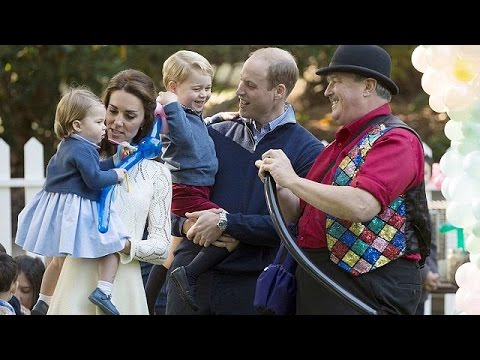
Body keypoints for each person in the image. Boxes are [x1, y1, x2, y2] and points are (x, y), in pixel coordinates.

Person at [256, 45, 431, 315]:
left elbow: (362, 205)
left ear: (368, 86)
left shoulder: (396, 139)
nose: (327, 91)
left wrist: (292, 180)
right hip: (323, 283)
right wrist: (280, 185)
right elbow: (300, 216)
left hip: (367, 288)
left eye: (335, 82)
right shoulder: (338, 146)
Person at [165, 47, 324, 315]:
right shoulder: (213, 133)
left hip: (251, 291)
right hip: (188, 282)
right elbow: (170, 201)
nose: (239, 90)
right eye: (241, 80)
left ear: (279, 91)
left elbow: (295, 229)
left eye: (250, 85)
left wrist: (228, 223)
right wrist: (186, 222)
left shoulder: (308, 151)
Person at [48, 69, 172, 315]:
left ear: (145, 120)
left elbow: (162, 248)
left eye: (130, 115)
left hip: (124, 285)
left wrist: (123, 245)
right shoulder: (80, 156)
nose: (117, 121)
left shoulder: (157, 174)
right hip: (75, 280)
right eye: (112, 110)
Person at [15, 88, 130, 315]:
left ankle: (44, 301)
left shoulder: (68, 146)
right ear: (77, 125)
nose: (104, 127)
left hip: (60, 208)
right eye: (99, 122)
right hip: (77, 208)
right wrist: (117, 175)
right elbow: (95, 179)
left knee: (56, 261)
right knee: (111, 248)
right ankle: (103, 291)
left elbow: (92, 169)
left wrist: (115, 160)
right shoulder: (83, 149)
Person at [146, 50, 228, 312]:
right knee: (226, 228)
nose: (203, 94)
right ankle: (189, 275)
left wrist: (219, 118)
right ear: (173, 88)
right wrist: (169, 103)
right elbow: (183, 138)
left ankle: (146, 300)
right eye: (196, 88)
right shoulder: (172, 114)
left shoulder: (188, 112)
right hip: (186, 188)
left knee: (171, 251)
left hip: (194, 187)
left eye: (207, 88)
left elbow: (196, 128)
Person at [416, 144, 439, 314]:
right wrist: (425, 274)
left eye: (425, 173)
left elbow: (432, 246)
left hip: (422, 290)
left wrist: (433, 273)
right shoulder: (402, 203)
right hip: (405, 287)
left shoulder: (427, 208)